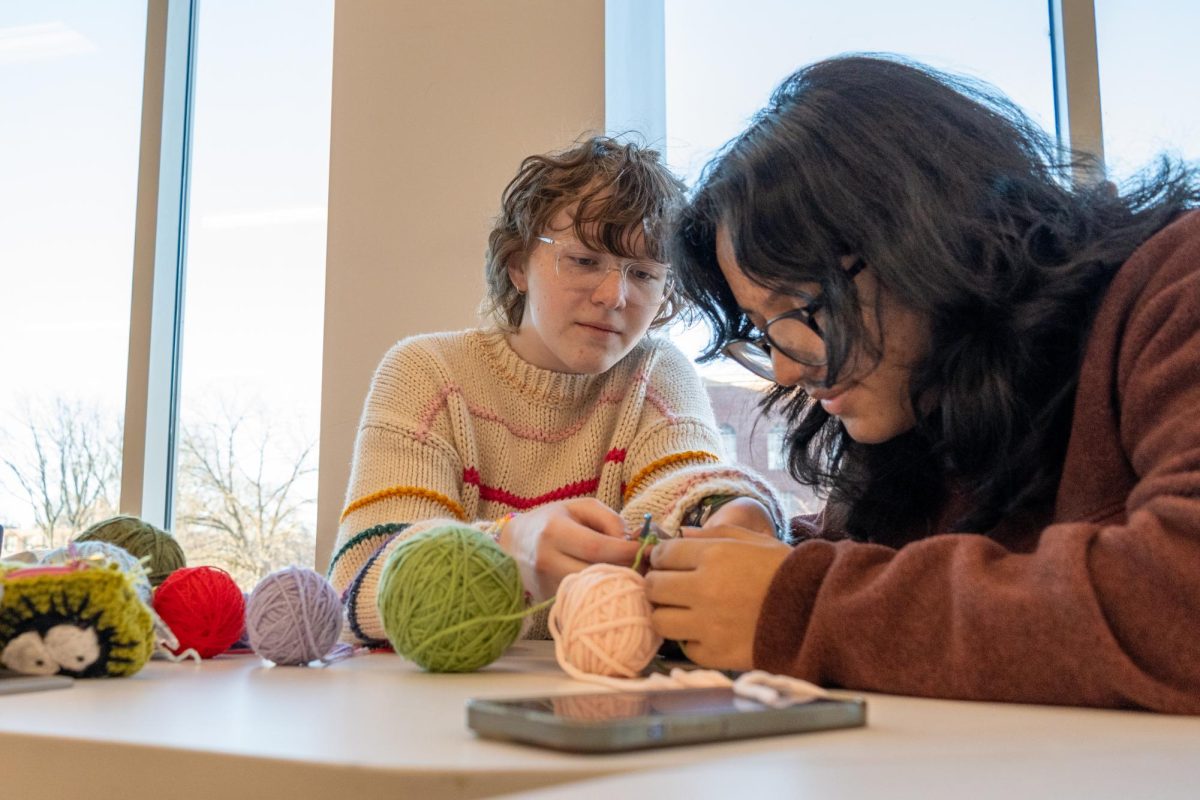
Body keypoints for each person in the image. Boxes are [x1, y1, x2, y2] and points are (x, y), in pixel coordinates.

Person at [647, 55, 1200, 712]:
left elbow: (1179, 594)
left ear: (921, 234)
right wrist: (689, 562)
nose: (790, 370)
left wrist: (800, 607)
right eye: (765, 333)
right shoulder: (931, 400)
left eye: (804, 309)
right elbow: (881, 561)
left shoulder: (1177, 284)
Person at [329, 136, 783, 645]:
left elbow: (683, 491)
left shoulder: (657, 373)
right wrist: (506, 546)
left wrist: (731, 512)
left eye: (643, 273)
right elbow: (354, 587)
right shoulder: (427, 373)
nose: (615, 296)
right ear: (518, 264)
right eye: (585, 260)